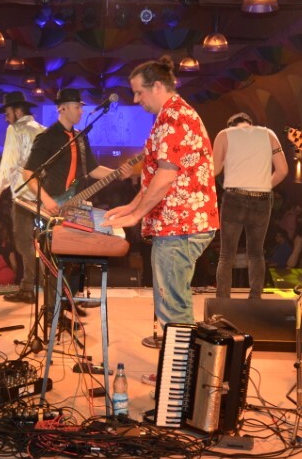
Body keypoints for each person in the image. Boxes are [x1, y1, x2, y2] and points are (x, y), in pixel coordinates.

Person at [104, 56, 219, 329]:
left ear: (157, 86)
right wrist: (132, 207)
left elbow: (166, 176)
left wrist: (136, 217)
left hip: (180, 225)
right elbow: (155, 177)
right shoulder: (169, 115)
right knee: (171, 303)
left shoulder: (175, 117)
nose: (136, 100)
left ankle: (180, 359)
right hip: (178, 224)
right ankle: (177, 357)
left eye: (138, 92)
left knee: (173, 308)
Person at [23, 88, 129, 320]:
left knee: (76, 258)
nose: (81, 110)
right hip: (53, 205)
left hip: (75, 203)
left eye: (81, 106)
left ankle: (68, 300)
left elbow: (92, 170)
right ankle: (52, 311)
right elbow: (28, 173)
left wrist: (117, 172)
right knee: (55, 261)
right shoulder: (47, 137)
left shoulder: (81, 137)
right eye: (77, 106)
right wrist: (47, 200)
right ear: (62, 108)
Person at [212, 112, 288, 299]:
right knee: (256, 253)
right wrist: (264, 185)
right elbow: (283, 170)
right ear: (250, 124)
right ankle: (255, 298)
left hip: (234, 198)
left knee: (226, 255)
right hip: (261, 199)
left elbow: (214, 169)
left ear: (231, 126)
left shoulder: (224, 135)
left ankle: (223, 300)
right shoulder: (269, 134)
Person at [0, 91, 46, 303]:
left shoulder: (15, 129)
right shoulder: (42, 129)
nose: (6, 118)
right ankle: (28, 287)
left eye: (7, 113)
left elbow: (8, 164)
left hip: (23, 195)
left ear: (18, 111)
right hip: (43, 197)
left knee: (23, 243)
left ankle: (49, 287)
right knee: (37, 244)